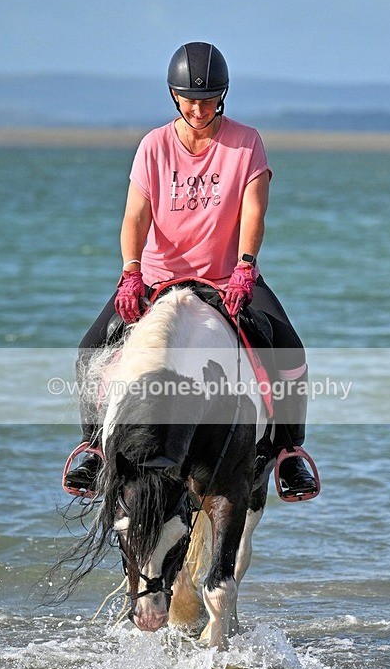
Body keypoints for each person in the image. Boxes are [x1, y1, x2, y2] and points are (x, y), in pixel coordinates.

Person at [65, 42, 316, 496]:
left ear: (223, 96)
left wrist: (245, 267)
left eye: (208, 100)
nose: (198, 110)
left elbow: (254, 212)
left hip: (226, 277)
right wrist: (131, 272)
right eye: (189, 100)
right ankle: (93, 448)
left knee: (289, 350)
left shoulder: (246, 143)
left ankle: (288, 452)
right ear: (173, 96)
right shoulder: (153, 146)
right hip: (158, 277)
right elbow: (135, 217)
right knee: (88, 351)